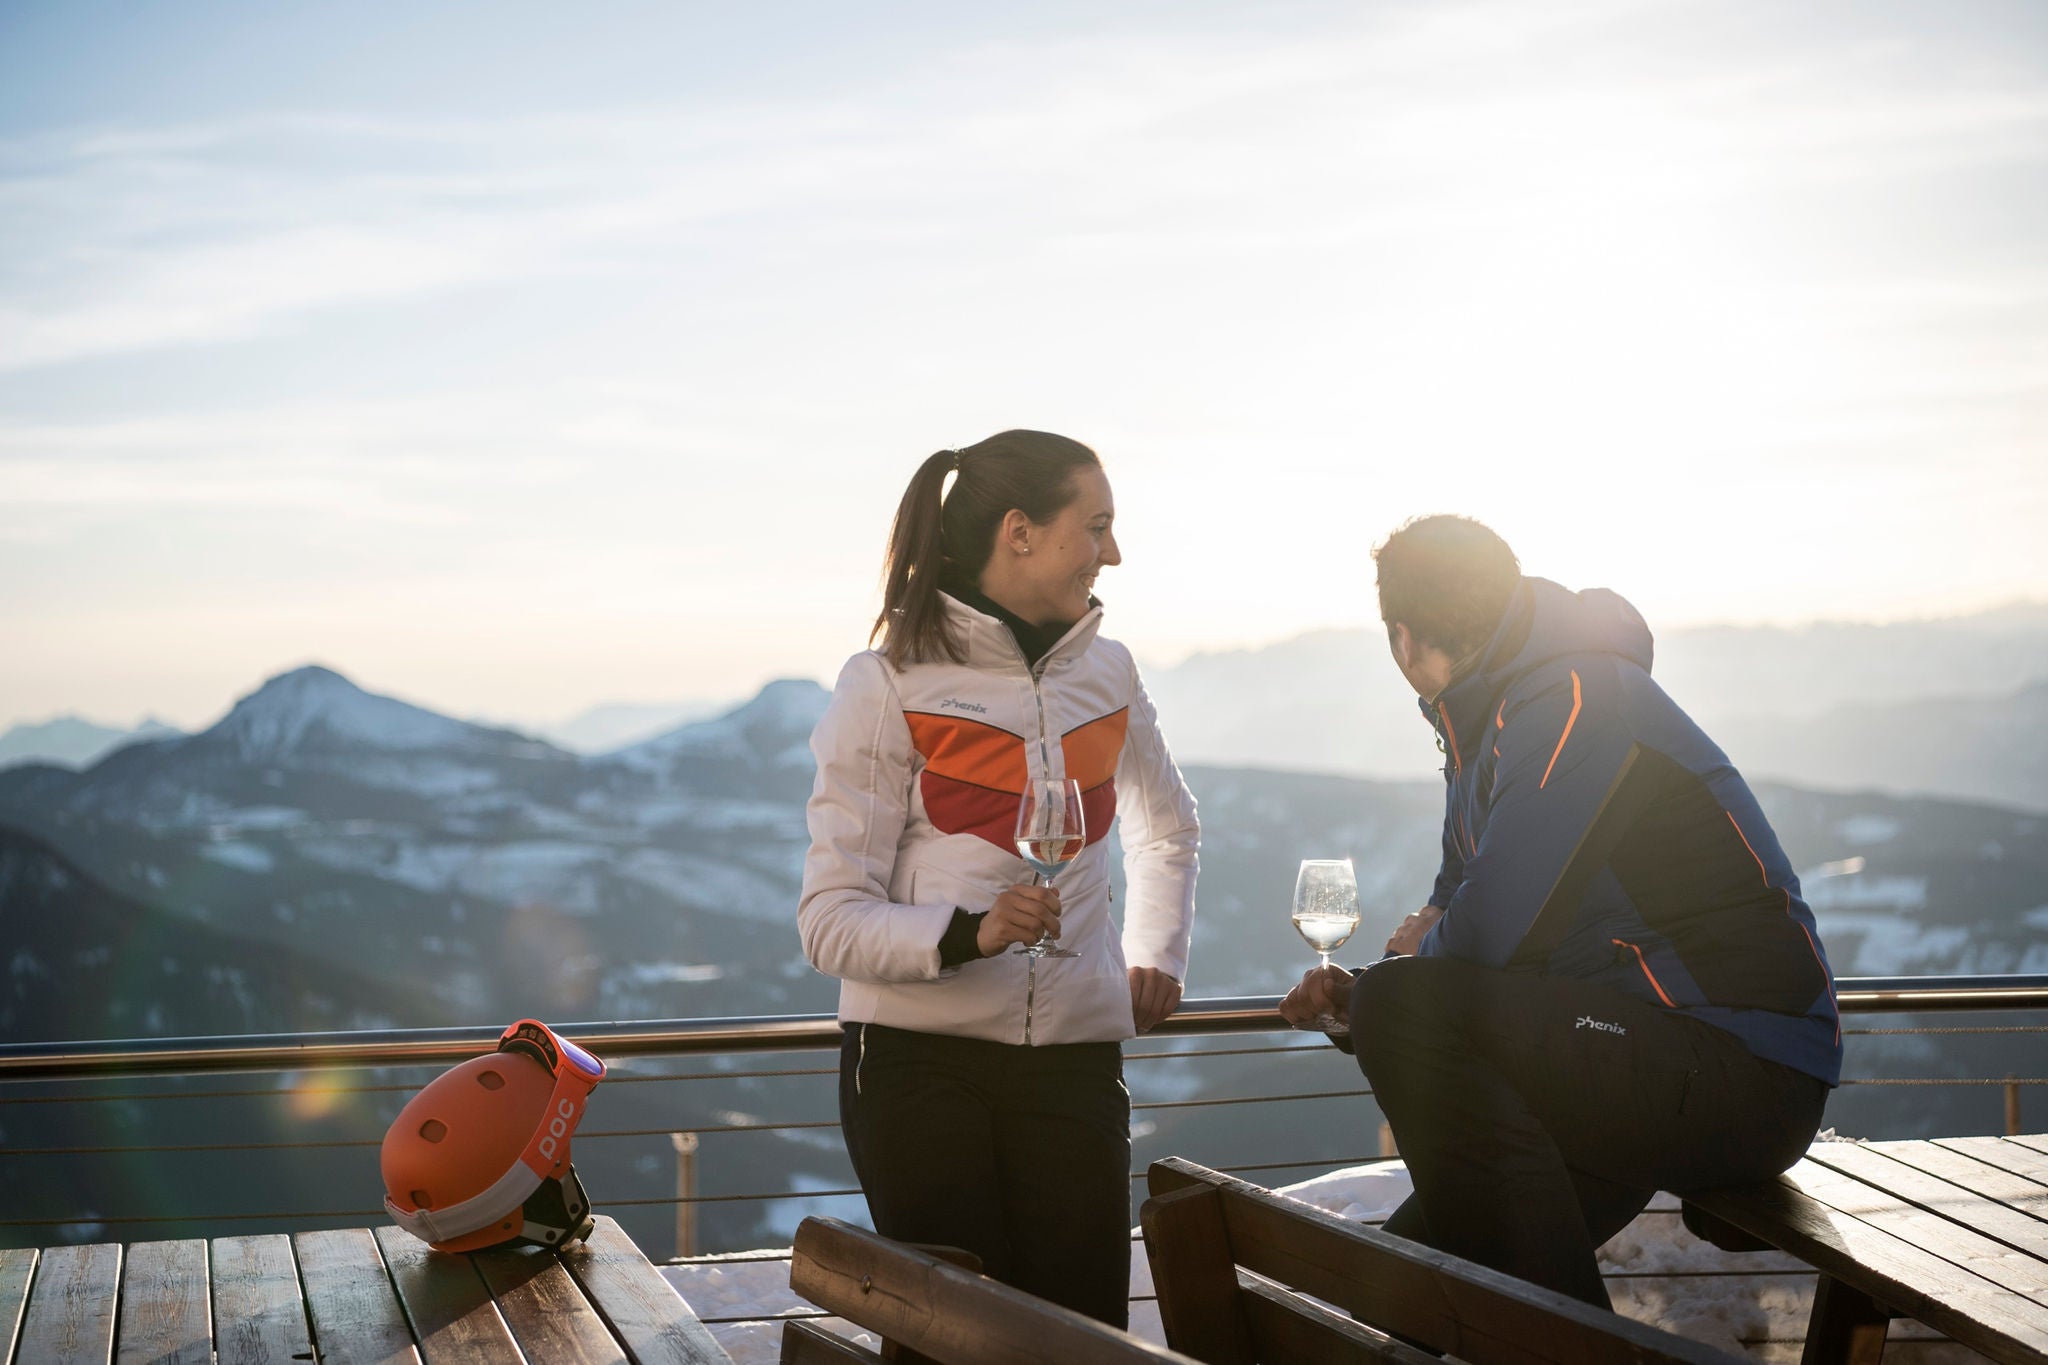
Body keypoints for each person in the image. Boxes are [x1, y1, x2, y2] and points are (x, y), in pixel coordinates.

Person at [1280, 514, 1839, 1309]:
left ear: (1403, 637)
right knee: (1391, 1290)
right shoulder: (1488, 719)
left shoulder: (1572, 698)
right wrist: (1366, 989)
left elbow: (1493, 927)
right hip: (1638, 1054)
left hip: (1740, 1065)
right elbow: (1465, 913)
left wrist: (1391, 983)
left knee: (1403, 1005)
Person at [798, 430, 1199, 1327]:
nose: (1115, 552)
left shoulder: (1111, 672)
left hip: (1076, 1066)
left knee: (1087, 1335)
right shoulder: (888, 680)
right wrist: (965, 931)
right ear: (1019, 531)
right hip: (916, 1069)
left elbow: (1167, 827)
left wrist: (1157, 953)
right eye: (1095, 526)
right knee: (964, 1343)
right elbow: (828, 920)